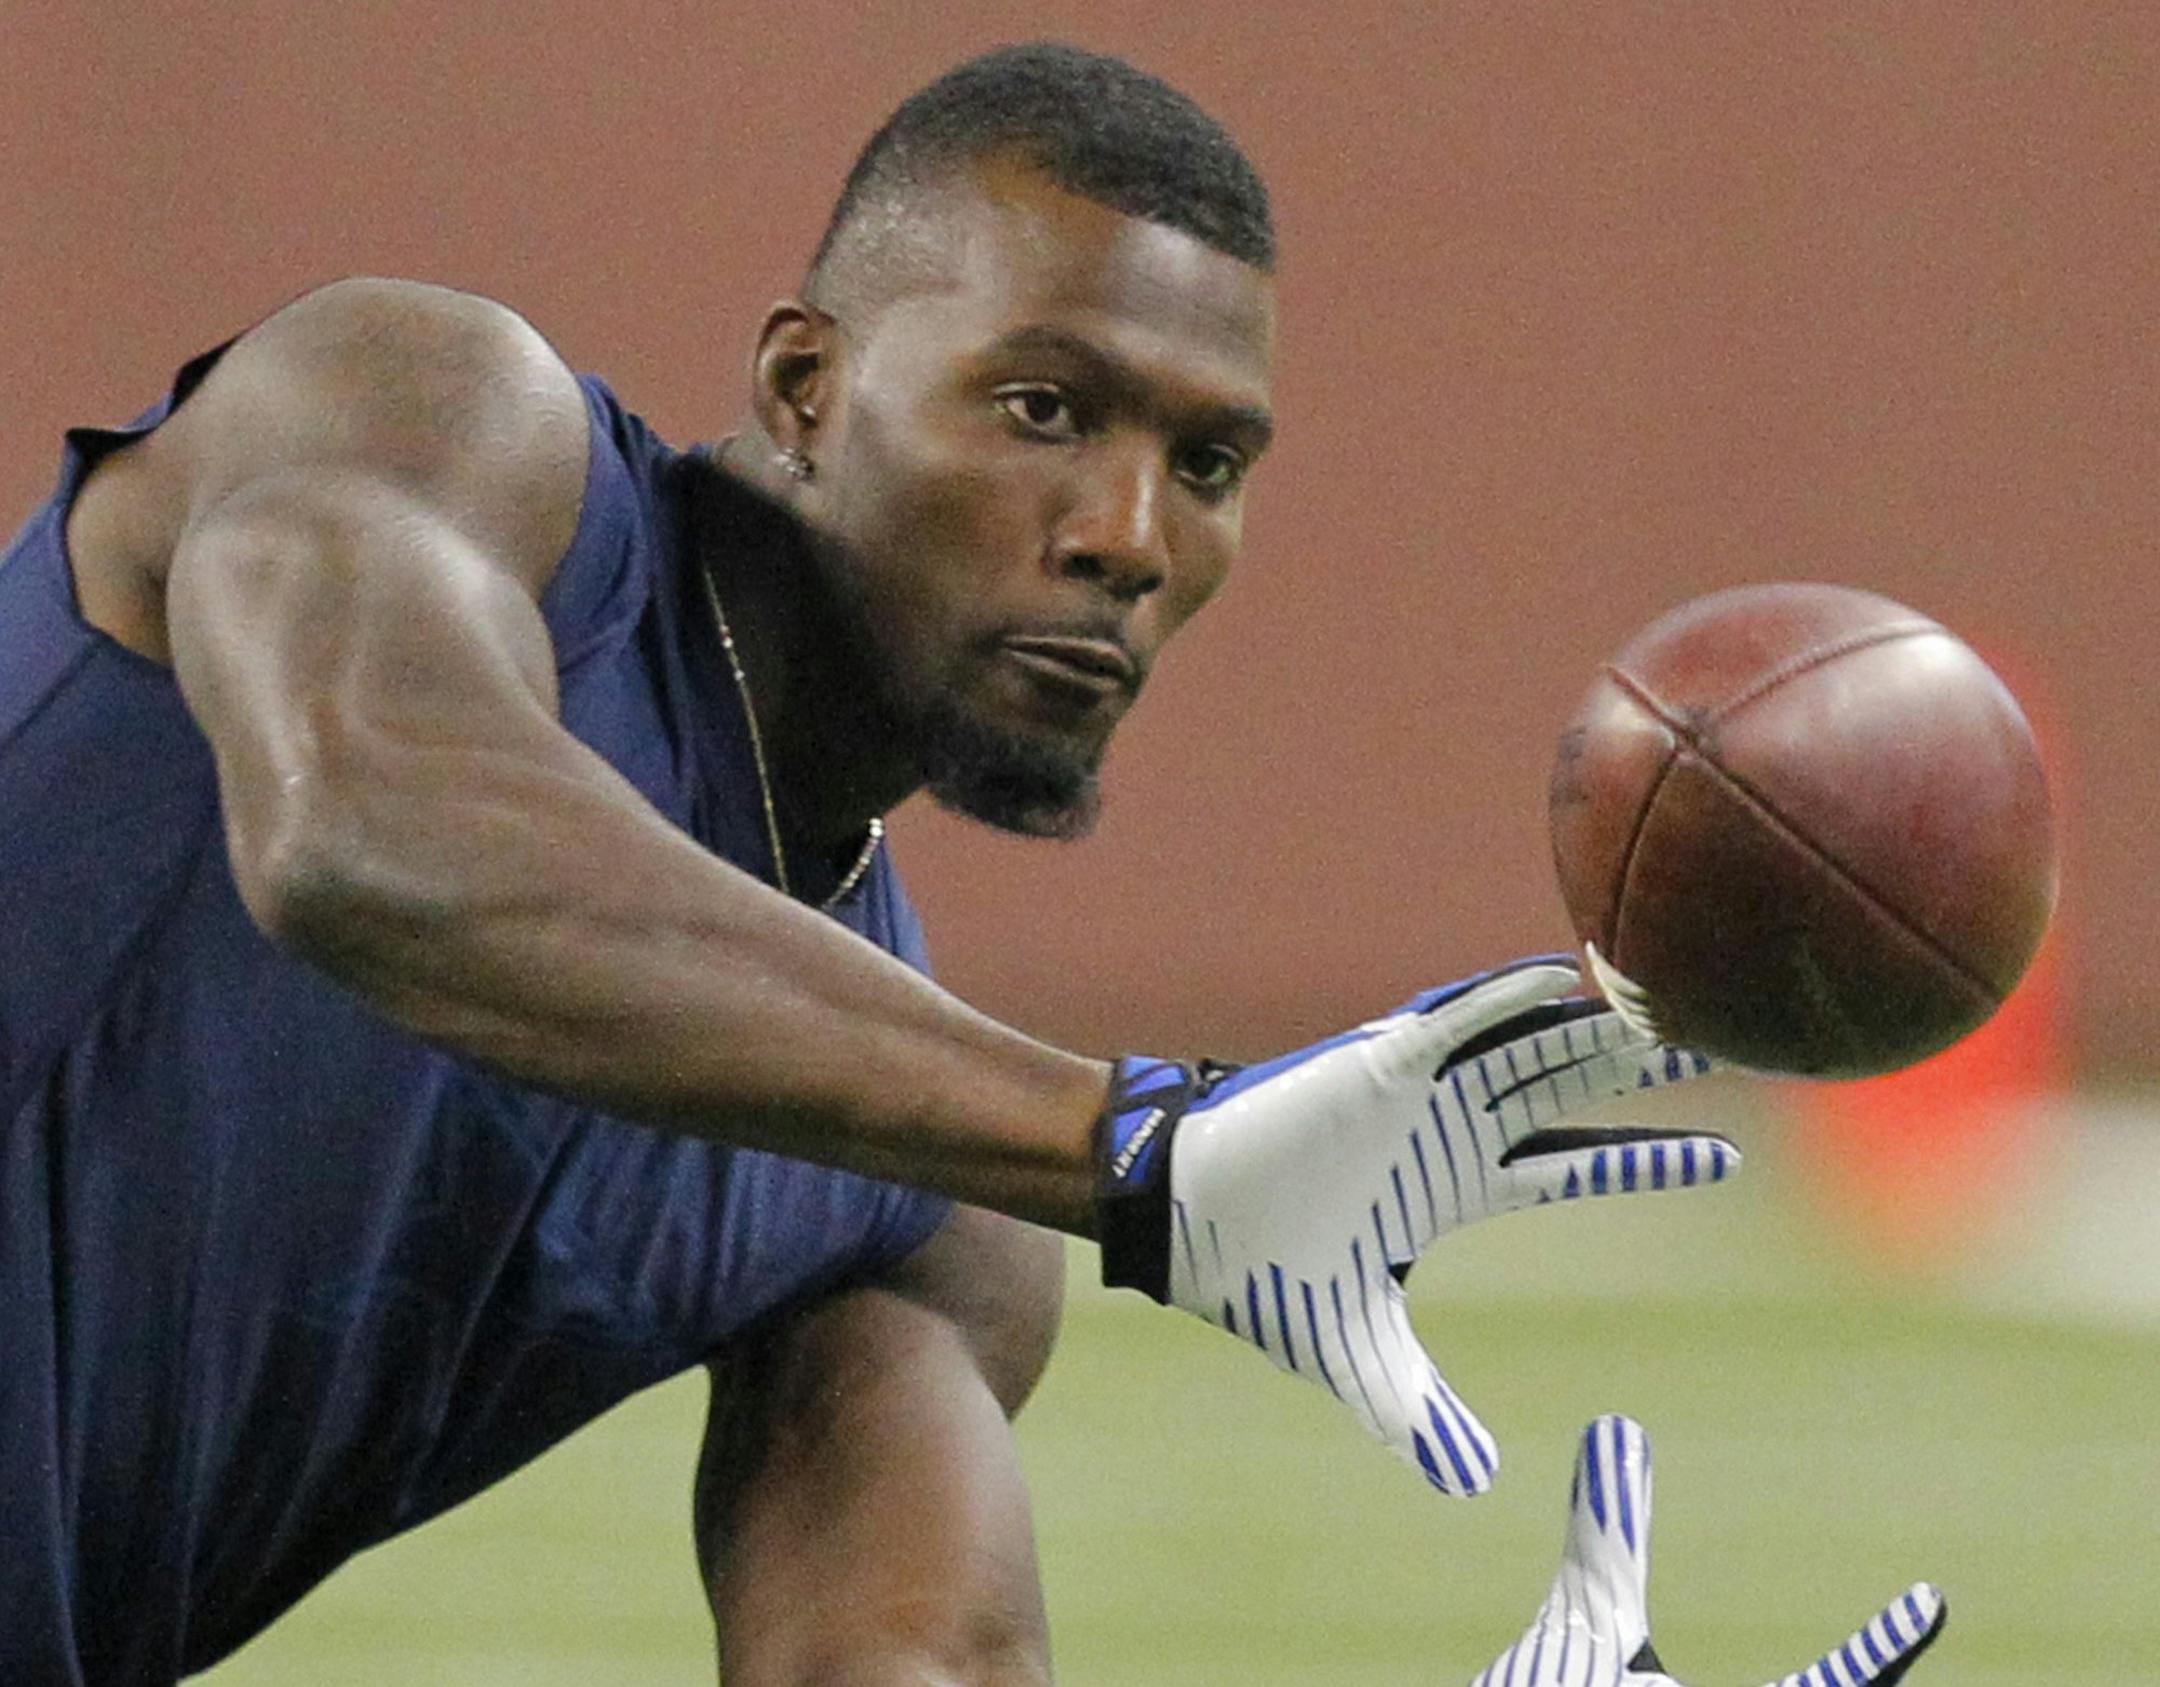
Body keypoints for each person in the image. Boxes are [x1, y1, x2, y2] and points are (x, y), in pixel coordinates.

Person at [0, 41, 1905, 1687]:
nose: (1129, 534)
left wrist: (1094, 1159)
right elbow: (367, 820)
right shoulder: (432, 410)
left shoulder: (920, 1201)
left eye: (1214, 462)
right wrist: (1135, 1142)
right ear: (805, 385)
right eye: (1045, 408)